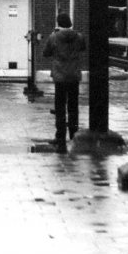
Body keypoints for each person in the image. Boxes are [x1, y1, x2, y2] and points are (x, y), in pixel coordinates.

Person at [42, 12, 86, 152]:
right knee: (73, 106)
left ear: (58, 23)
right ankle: (74, 135)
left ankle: (60, 137)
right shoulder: (78, 37)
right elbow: (83, 48)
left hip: (60, 77)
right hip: (74, 76)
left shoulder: (54, 37)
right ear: (70, 23)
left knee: (60, 107)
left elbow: (46, 53)